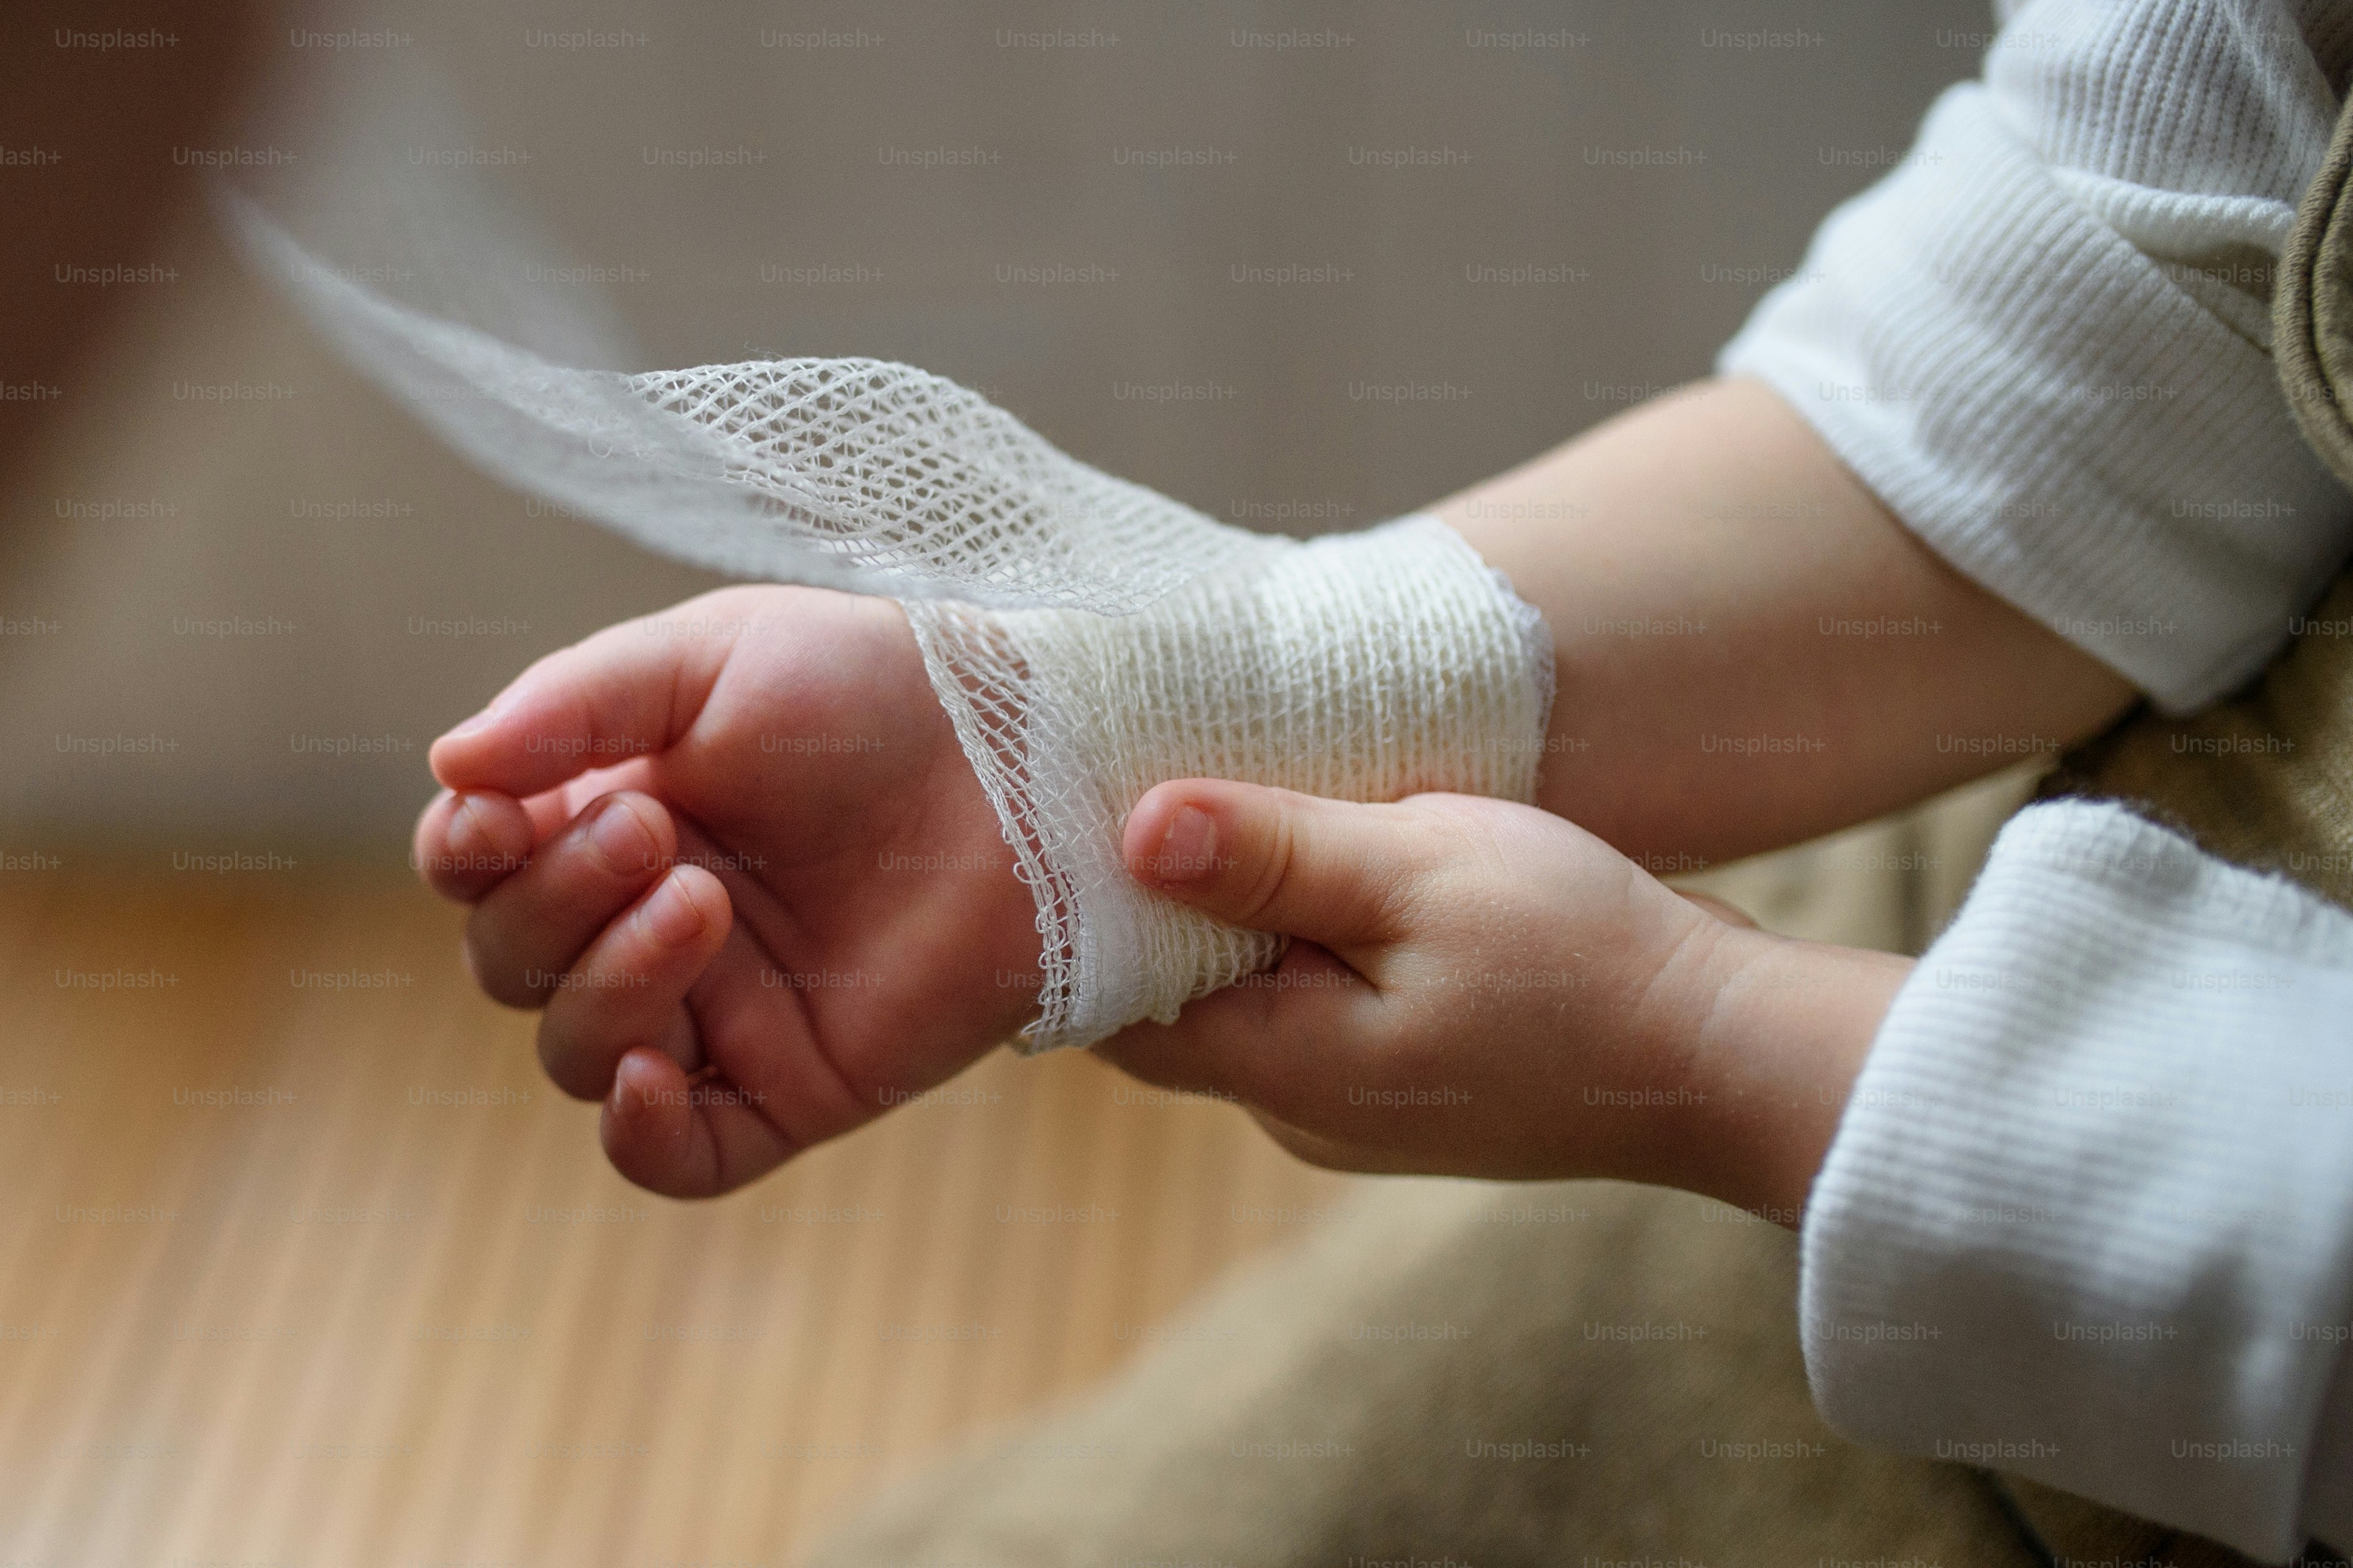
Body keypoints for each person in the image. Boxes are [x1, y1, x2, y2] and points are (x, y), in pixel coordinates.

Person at [413, 0, 2353, 1559]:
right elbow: (2163, 292)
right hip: (2014, 925)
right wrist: (1101, 747)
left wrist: (1716, 1054)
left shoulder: (1721, 1048)